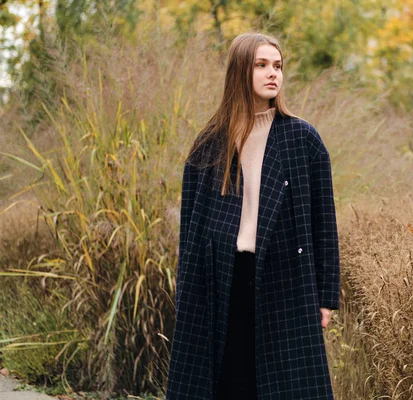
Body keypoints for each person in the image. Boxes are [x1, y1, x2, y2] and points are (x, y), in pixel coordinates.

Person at [165, 32, 340, 400]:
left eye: (277, 66)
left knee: (284, 386)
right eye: (261, 65)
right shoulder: (211, 143)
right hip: (222, 276)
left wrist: (325, 297)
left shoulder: (302, 139)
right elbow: (191, 232)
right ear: (239, 72)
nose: (272, 73)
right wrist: (188, 296)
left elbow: (324, 223)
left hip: (286, 278)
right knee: (230, 382)